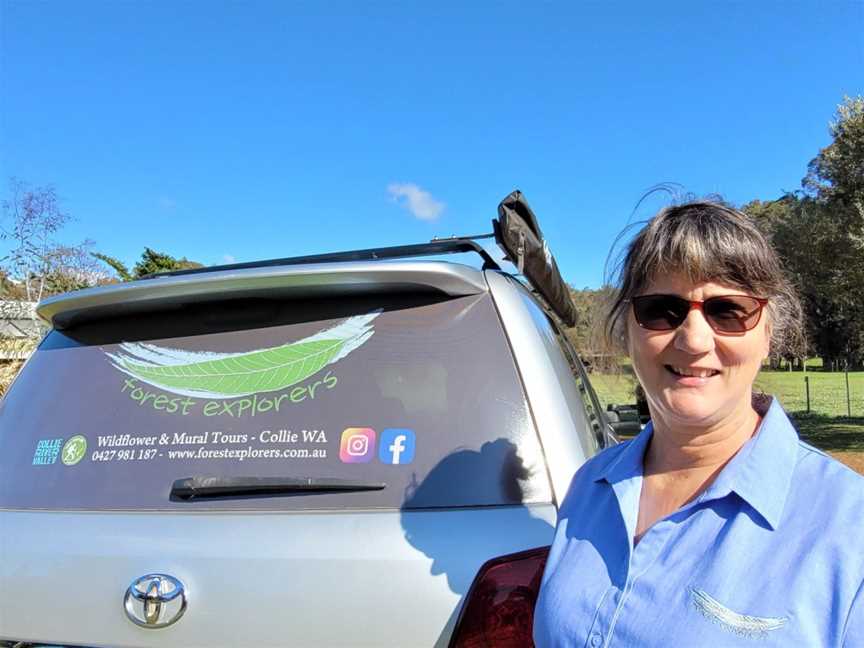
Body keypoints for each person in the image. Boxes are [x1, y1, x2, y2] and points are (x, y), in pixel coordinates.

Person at [533, 201, 864, 647]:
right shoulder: (589, 486)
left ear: (768, 332)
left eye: (727, 310)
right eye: (662, 309)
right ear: (629, 330)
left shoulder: (848, 525)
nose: (692, 339)